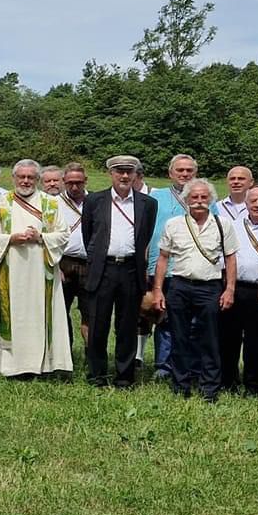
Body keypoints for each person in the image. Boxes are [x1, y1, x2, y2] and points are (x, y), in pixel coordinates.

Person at [146, 179, 236, 400]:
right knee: (179, 337)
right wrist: (158, 290)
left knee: (210, 339)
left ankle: (209, 389)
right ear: (186, 200)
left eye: (203, 197)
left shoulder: (222, 224)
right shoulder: (174, 224)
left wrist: (230, 289)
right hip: (180, 285)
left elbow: (231, 259)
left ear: (211, 199)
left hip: (210, 287)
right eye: (194, 197)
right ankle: (180, 385)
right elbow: (163, 259)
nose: (198, 201)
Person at [0, 161, 73, 378]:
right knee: (12, 315)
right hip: (9, 269)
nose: (25, 181)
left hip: (41, 272)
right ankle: (10, 365)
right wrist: (11, 238)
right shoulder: (0, 204)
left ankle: (43, 364)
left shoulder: (50, 204)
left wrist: (41, 236)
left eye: (30, 177)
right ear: (13, 178)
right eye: (21, 177)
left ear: (37, 179)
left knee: (40, 314)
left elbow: (63, 234)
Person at [79, 156, 157, 389]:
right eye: (119, 172)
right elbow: (88, 235)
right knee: (98, 324)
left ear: (135, 174)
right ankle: (97, 375)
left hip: (131, 270)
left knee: (127, 325)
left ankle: (125, 376)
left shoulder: (148, 204)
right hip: (103, 269)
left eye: (129, 172)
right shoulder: (94, 200)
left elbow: (145, 237)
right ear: (110, 174)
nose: (124, 176)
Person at [218, 184, 258, 395]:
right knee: (227, 338)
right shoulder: (233, 225)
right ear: (246, 203)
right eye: (254, 201)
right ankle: (227, 380)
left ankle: (255, 385)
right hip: (233, 287)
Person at [145, 153, 198, 381]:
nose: (185, 174)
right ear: (170, 173)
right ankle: (164, 366)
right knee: (164, 318)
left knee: (193, 322)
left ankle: (190, 365)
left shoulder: (204, 197)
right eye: (180, 170)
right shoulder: (156, 197)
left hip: (193, 269)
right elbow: (145, 231)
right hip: (162, 267)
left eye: (189, 171)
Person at [58, 164, 90, 349]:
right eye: (70, 183)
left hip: (89, 263)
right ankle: (65, 354)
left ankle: (90, 354)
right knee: (61, 312)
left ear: (86, 181)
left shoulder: (96, 201)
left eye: (78, 183)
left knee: (90, 313)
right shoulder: (54, 203)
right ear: (64, 182)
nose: (75, 187)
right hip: (63, 262)